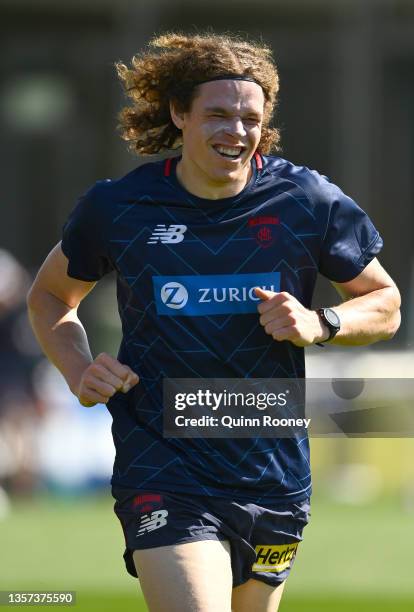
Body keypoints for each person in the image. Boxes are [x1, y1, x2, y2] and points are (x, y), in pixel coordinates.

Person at [27, 32, 401, 612]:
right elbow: (51, 296)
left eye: (250, 118)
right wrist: (78, 368)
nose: (237, 131)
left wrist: (319, 321)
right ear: (179, 115)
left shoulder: (307, 200)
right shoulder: (119, 208)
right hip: (163, 460)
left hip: (272, 466)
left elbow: (385, 302)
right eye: (218, 115)